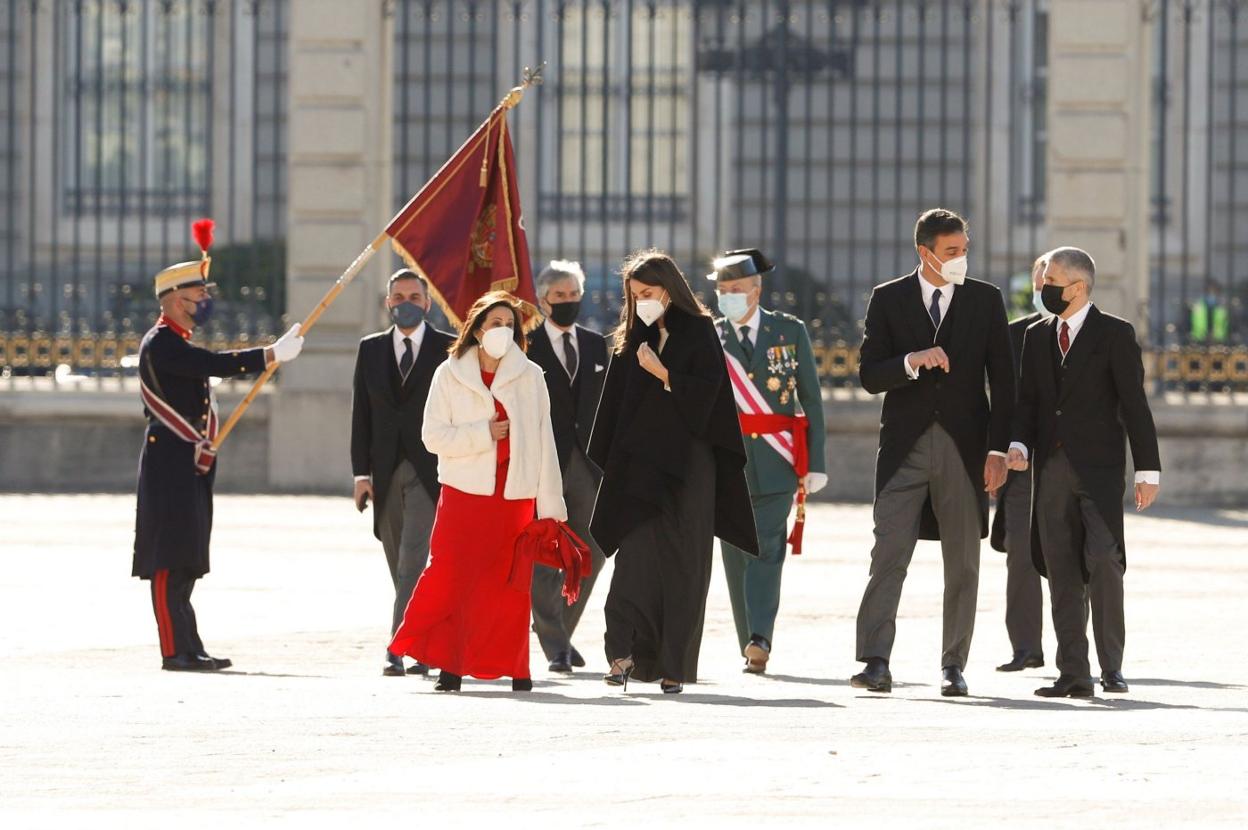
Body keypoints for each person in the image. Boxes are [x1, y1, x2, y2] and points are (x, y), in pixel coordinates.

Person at [850, 208, 1014, 697]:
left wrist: (999, 450)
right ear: (925, 253)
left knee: (963, 561)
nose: (961, 259)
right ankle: (876, 660)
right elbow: (868, 375)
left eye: (965, 250)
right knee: (888, 554)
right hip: (904, 448)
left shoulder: (986, 300)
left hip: (965, 450)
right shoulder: (888, 298)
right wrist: (910, 361)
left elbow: (1005, 383)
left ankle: (953, 665)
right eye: (951, 252)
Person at [132, 220, 304, 671]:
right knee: (169, 557)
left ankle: (191, 645)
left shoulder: (177, 341)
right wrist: (268, 355)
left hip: (188, 459)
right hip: (170, 458)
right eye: (198, 296)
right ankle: (174, 650)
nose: (205, 302)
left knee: (187, 554)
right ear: (174, 300)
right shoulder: (162, 344)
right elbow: (210, 365)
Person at [588, 249, 758, 694]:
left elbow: (709, 399)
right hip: (641, 470)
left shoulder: (699, 332)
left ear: (670, 289)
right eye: (635, 295)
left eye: (649, 292)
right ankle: (621, 655)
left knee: (685, 567)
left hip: (690, 469)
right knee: (633, 563)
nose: (642, 301)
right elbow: (616, 409)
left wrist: (663, 372)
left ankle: (674, 667)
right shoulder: (629, 339)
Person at [388, 291, 566, 693]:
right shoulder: (449, 373)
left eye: (509, 324)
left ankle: (518, 669)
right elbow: (432, 437)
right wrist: (481, 433)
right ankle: (449, 666)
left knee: (509, 584)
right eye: (495, 323)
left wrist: (551, 506)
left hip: (513, 497)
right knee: (452, 576)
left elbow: (545, 442)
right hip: (464, 493)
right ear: (476, 328)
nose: (502, 330)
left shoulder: (531, 375)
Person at [1007, 247, 1161, 698]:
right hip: (1051, 471)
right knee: (1060, 570)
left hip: (1099, 473)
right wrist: (1017, 445)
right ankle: (1073, 673)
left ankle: (1111, 666)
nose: (1043, 288)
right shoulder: (1037, 337)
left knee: (1103, 561)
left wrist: (1147, 468)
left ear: (1077, 287)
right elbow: (1028, 404)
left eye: (1051, 280)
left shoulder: (1115, 334)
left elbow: (1135, 405)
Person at [709, 248, 827, 674]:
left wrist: (816, 461)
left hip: (777, 458)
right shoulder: (710, 336)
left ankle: (761, 636)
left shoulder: (789, 331)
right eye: (722, 290)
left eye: (736, 289)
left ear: (756, 290)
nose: (728, 296)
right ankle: (749, 641)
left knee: (767, 548)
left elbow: (810, 399)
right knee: (736, 555)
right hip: (728, 463)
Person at [351, 269, 454, 677]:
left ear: (427, 303)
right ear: (388, 302)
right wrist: (361, 474)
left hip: (431, 469)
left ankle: (399, 645)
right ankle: (423, 640)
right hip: (385, 469)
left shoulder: (449, 348)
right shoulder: (370, 349)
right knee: (396, 558)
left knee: (414, 558)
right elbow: (361, 414)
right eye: (398, 296)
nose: (406, 302)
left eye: (414, 295)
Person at [526, 260, 609, 674]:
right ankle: (556, 646)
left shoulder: (596, 344)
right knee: (546, 553)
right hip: (544, 463)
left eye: (574, 294)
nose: (568, 302)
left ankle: (560, 632)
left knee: (593, 550)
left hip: (589, 464)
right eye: (559, 296)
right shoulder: (526, 344)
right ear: (543, 301)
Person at [989, 253, 1051, 672]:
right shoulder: (1011, 336)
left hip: (1071, 465)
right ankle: (1026, 647)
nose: (1045, 289)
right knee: (1022, 556)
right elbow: (998, 405)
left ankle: (1073, 649)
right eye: (1039, 281)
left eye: (1054, 280)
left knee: (1071, 560)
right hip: (1021, 464)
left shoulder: (1102, 334)